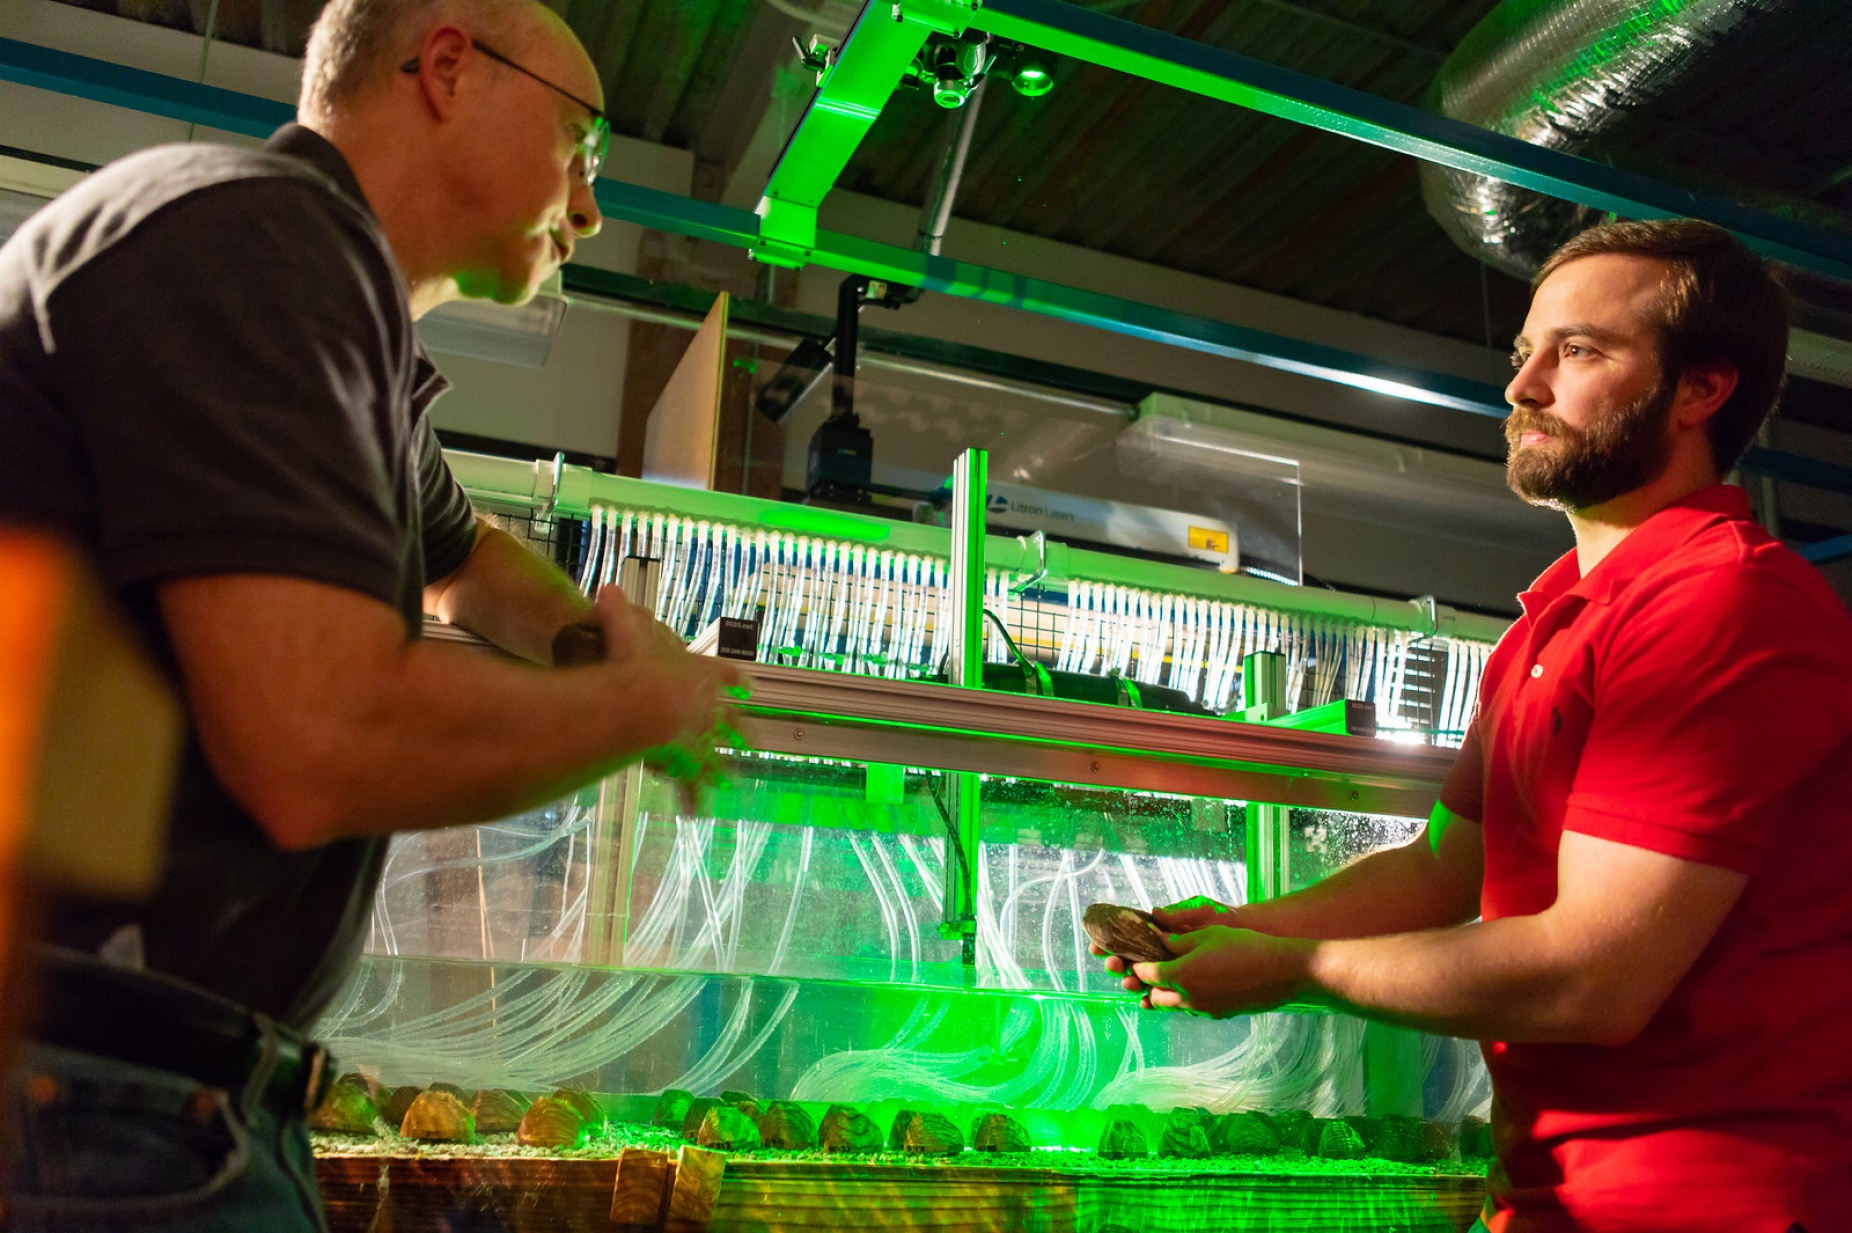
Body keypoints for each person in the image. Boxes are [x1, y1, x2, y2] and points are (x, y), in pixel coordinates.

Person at [0, 0, 741, 1227]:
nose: (593, 207)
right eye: (582, 147)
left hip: (132, 1093)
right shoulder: (262, 240)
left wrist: (589, 632)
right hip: (88, 1101)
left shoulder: (336, 319)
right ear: (448, 67)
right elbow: (316, 741)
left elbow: (460, 555)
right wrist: (642, 705)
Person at [1100, 220, 1852, 1233]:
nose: (1523, 387)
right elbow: (1441, 871)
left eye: (1577, 351)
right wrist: (1240, 929)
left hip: (1712, 1201)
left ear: (1700, 389)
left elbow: (1595, 980)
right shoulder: (1553, 619)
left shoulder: (1720, 601)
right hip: (1553, 1196)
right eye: (1524, 353)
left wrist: (1292, 972)